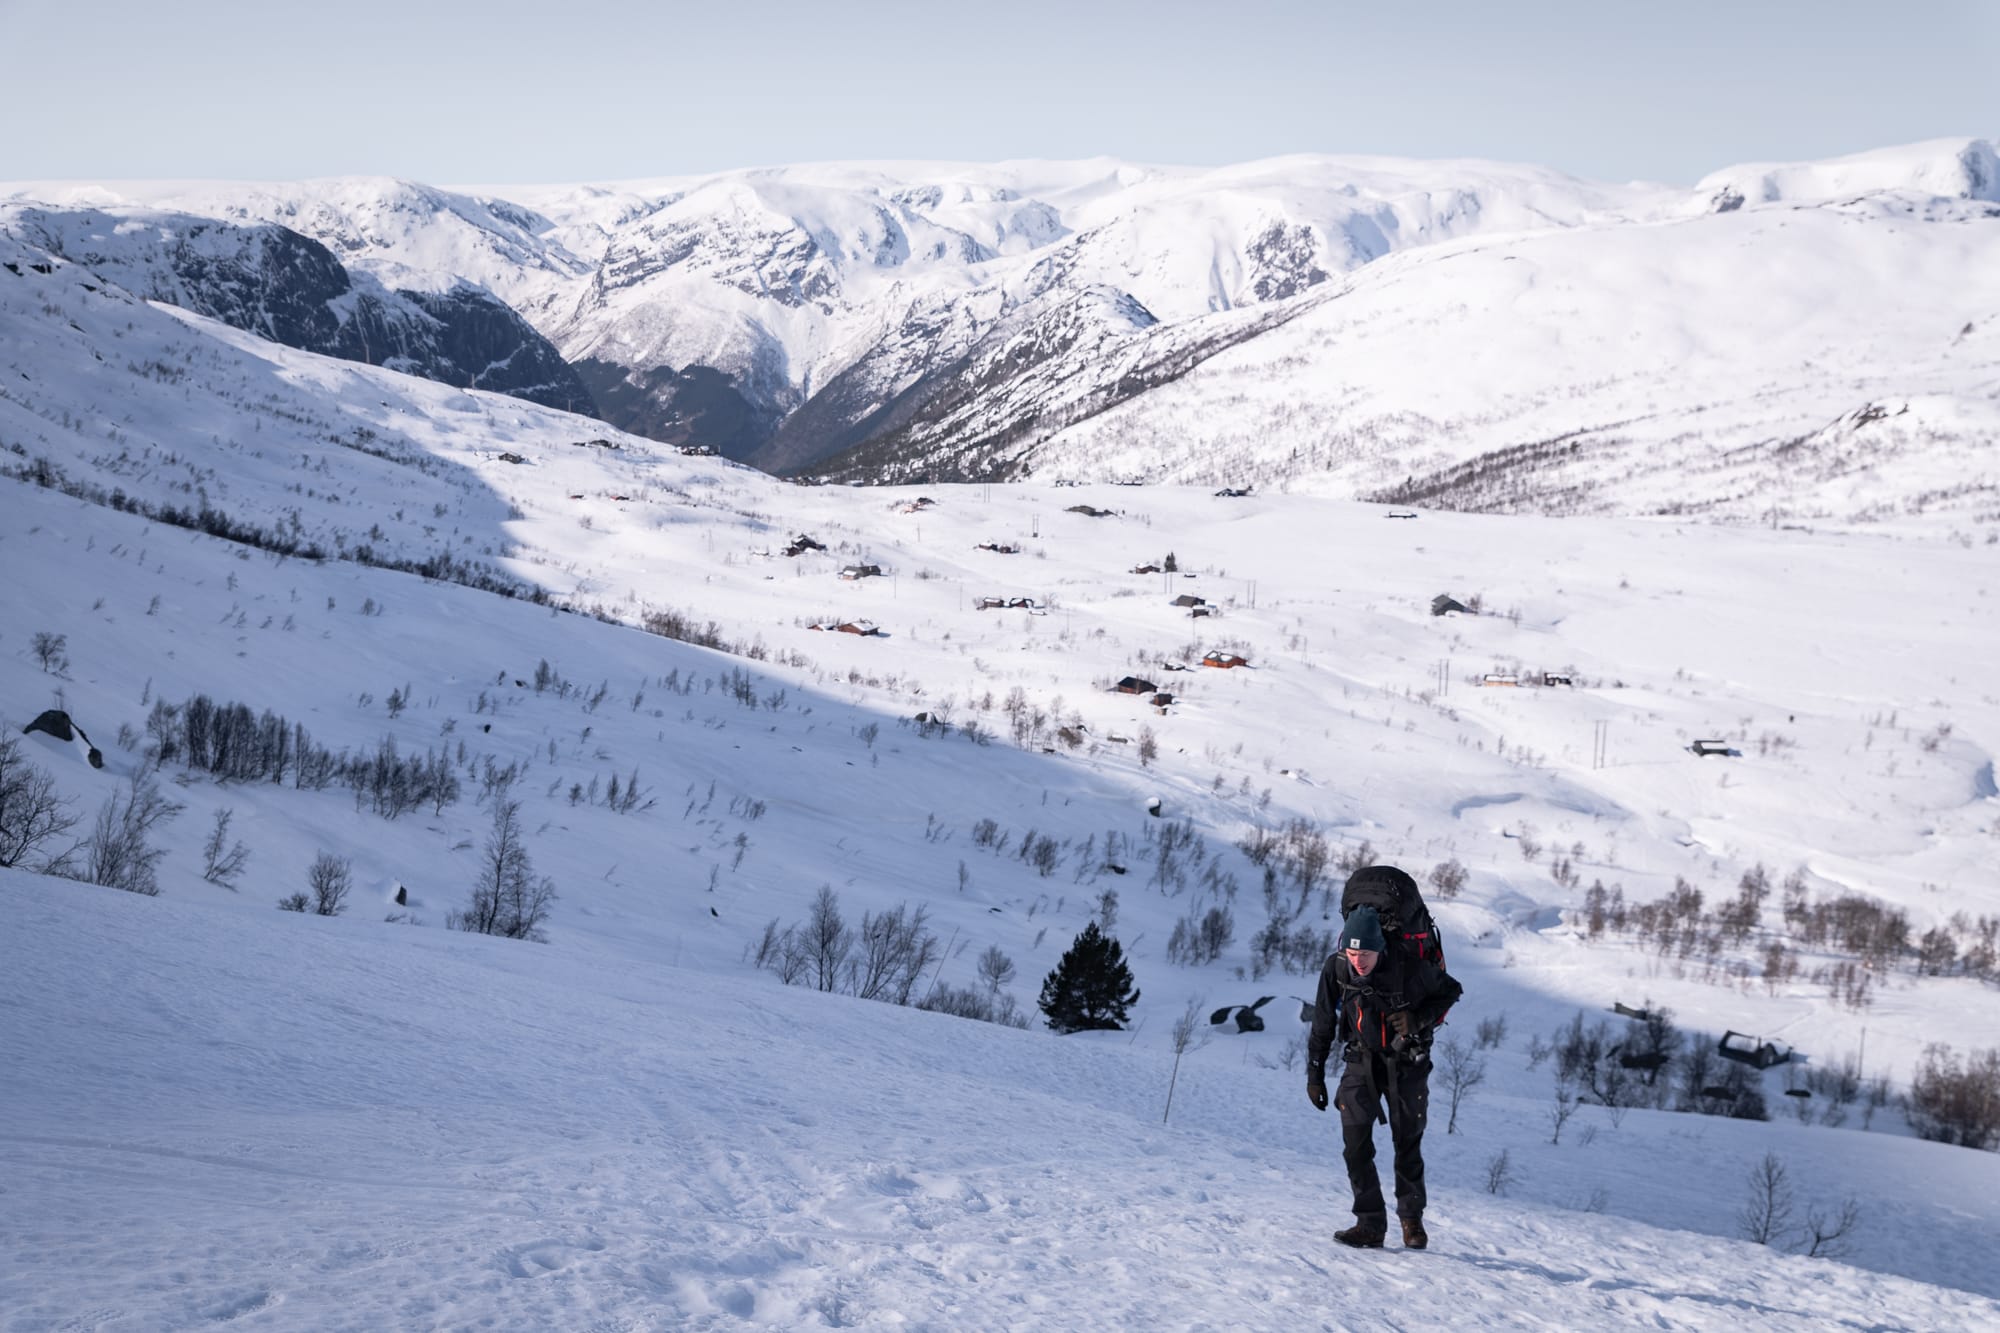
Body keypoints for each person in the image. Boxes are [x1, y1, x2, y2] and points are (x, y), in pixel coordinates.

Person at [1306, 896, 1462, 1250]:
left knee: (1407, 1144)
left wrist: (1417, 1020)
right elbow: (1322, 1023)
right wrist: (1314, 1074)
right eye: (1352, 954)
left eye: (1366, 954)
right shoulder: (1337, 969)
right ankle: (1370, 1223)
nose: (1358, 962)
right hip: (1360, 1061)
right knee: (1355, 1145)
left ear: (1381, 950)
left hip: (1407, 1064)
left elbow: (1451, 990)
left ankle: (1412, 1222)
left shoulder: (1411, 968)